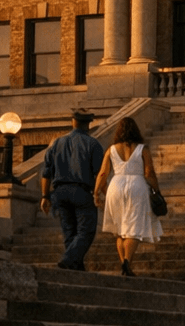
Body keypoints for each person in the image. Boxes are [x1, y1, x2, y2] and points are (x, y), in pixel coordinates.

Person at [94, 116, 163, 276]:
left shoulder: (111, 150)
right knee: (134, 229)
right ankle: (126, 261)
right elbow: (149, 173)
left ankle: (125, 265)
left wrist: (96, 192)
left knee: (119, 230)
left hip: (115, 186)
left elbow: (103, 173)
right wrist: (157, 190)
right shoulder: (142, 149)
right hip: (137, 187)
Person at [39, 108, 101, 270]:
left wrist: (45, 196)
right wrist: (98, 194)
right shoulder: (93, 144)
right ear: (88, 124)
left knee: (69, 232)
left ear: (73, 122)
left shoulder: (56, 143)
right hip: (82, 191)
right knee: (86, 231)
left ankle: (76, 267)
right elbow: (99, 174)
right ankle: (68, 260)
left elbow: (46, 173)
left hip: (59, 192)